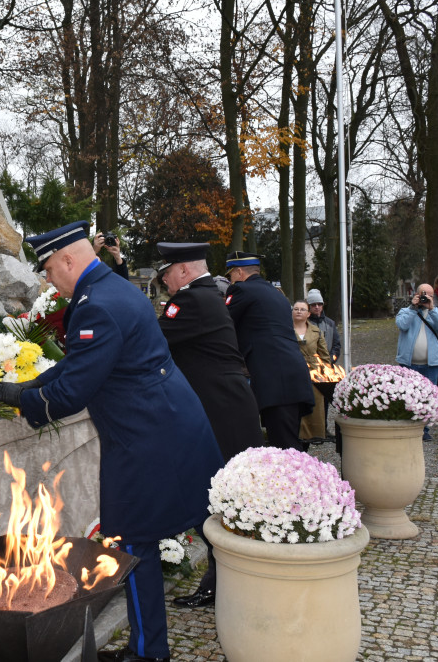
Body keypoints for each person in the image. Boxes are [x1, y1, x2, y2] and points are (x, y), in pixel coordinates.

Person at [0, 221, 222, 662]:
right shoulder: (112, 288)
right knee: (179, 530)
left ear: (69, 260)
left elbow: (73, 391)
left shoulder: (96, 306)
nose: (48, 280)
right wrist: (31, 383)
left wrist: (27, 401)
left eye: (51, 270)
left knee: (131, 542)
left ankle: (149, 653)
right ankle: (154, 644)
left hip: (147, 439)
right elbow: (81, 364)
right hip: (166, 425)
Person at [155, 241, 263, 613]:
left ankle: (229, 584)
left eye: (166, 272)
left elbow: (151, 340)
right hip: (228, 407)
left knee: (221, 501)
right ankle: (224, 583)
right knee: (224, 501)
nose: (164, 280)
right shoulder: (207, 296)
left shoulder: (190, 301)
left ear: (183, 270)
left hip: (221, 413)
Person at [224, 251, 314, 452]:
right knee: (290, 445)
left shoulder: (241, 291)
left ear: (239, 272)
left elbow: (223, 325)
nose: (230, 279)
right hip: (293, 376)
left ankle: (300, 483)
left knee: (284, 450)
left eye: (230, 274)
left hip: (275, 381)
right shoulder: (276, 294)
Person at [395, 283, 438, 440]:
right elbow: (402, 325)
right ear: (416, 294)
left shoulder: (435, 312)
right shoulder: (406, 311)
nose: (426, 297)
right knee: (407, 395)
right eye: (423, 294)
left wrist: (431, 308)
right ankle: (408, 426)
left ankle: (424, 430)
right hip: (409, 363)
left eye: (430, 295)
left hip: (431, 364)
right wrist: (413, 308)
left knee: (428, 397)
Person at [291, 300, 331, 444]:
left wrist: (325, 374)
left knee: (313, 409)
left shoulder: (316, 331)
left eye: (302, 309)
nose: (299, 311)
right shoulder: (285, 330)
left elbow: (325, 356)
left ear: (308, 314)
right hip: (292, 373)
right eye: (296, 309)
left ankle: (312, 438)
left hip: (313, 375)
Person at [305, 288, 341, 362]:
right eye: (313, 304)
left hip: (328, 365)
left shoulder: (330, 323)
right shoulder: (303, 323)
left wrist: (330, 360)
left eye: (319, 304)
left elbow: (336, 345)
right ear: (308, 306)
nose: (317, 307)